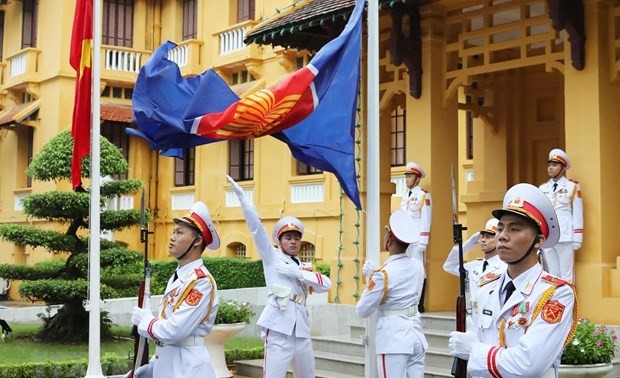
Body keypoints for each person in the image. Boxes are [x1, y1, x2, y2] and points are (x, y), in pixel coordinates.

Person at [448, 183, 578, 378]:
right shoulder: (485, 285)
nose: (502, 237)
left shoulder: (555, 293)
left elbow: (529, 364)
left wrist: (473, 352)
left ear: (539, 241)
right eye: (500, 229)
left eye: (515, 229)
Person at [226, 175, 332, 378]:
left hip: (301, 331)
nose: (293, 242)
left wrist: (298, 273)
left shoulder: (303, 266)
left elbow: (325, 284)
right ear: (279, 241)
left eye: (296, 238)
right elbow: (257, 230)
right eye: (288, 238)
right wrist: (243, 200)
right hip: (279, 329)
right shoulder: (271, 257)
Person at [129, 201, 221, 378]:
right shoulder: (179, 277)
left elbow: (175, 331)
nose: (172, 237)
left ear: (198, 241)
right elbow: (167, 332)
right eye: (173, 231)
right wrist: (153, 366)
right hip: (170, 365)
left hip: (187, 368)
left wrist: (146, 320)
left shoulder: (201, 282)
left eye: (179, 233)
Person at [356, 210, 428, 378]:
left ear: (388, 241)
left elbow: (362, 310)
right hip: (415, 336)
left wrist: (370, 280)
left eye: (386, 234)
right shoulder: (418, 265)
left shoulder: (383, 274)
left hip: (394, 340)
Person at [539, 148, 583, 282]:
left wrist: (578, 237)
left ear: (563, 168)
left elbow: (577, 213)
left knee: (567, 275)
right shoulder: (543, 188)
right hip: (548, 236)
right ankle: (555, 302)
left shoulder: (572, 187)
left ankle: (568, 302)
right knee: (552, 274)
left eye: (555, 165)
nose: (551, 168)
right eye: (549, 165)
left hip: (565, 235)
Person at [443, 218, 505, 306]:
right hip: (472, 317)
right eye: (482, 236)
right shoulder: (475, 265)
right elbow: (449, 266)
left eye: (488, 237)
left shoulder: (504, 267)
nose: (483, 240)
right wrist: (466, 246)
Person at [400, 161, 432, 312]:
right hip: (404, 239)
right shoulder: (405, 196)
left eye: (410, 176)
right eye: (406, 176)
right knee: (407, 268)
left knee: (420, 270)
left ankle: (419, 303)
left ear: (417, 179)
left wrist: (423, 241)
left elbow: (426, 219)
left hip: (417, 239)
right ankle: (409, 300)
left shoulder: (423, 195)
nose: (407, 179)